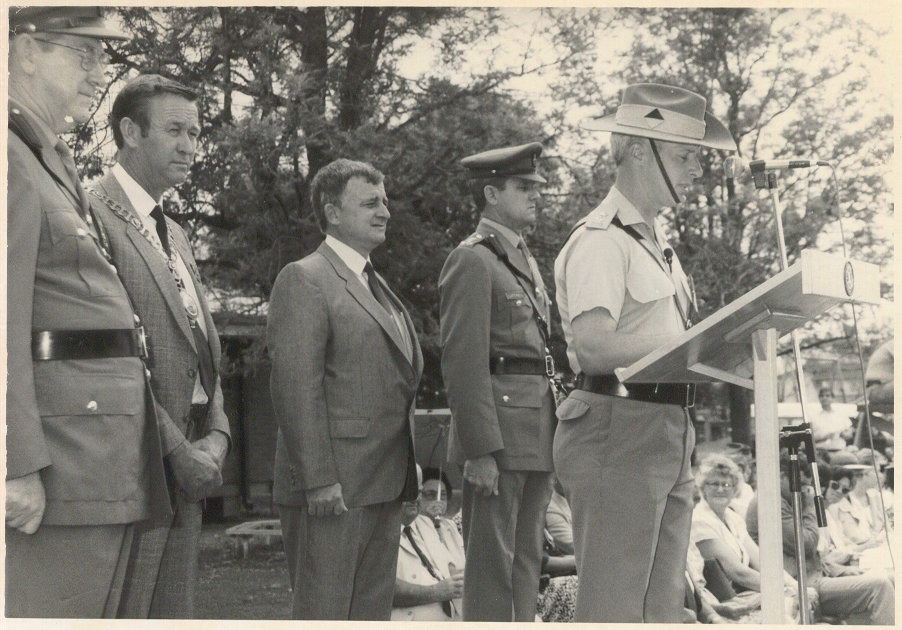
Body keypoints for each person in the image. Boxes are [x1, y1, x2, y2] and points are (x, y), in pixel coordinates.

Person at [6, 7, 172, 617]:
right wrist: (12, 464)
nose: (100, 72)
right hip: (56, 468)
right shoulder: (8, 158)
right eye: (83, 53)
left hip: (94, 462)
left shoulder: (45, 158)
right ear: (24, 49)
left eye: (104, 56)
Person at [552, 82, 737, 622]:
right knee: (614, 609)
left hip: (662, 429)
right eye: (685, 157)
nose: (696, 172)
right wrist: (695, 342)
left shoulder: (656, 245)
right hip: (617, 430)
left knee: (660, 610)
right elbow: (591, 345)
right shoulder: (602, 239)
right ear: (638, 150)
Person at [87, 74, 231, 617]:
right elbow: (111, 356)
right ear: (129, 131)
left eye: (195, 132)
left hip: (191, 461)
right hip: (137, 465)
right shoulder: (91, 214)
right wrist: (176, 450)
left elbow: (199, 343)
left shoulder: (176, 231)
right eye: (175, 130)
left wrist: (217, 431)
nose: (191, 146)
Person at [267, 158, 423, 620]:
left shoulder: (377, 285)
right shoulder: (305, 277)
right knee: (325, 616)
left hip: (381, 486)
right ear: (333, 213)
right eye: (370, 202)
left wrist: (406, 477)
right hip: (332, 490)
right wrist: (318, 480)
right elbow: (296, 388)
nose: (385, 212)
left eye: (386, 202)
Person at [439, 142, 556, 621]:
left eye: (536, 188)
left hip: (535, 430)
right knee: (492, 566)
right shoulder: (473, 260)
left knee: (528, 561)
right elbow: (462, 362)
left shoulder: (520, 258)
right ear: (490, 193)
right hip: (499, 437)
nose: (535, 196)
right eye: (524, 187)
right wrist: (480, 449)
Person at [746, 451, 894, 624]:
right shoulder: (769, 503)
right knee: (879, 586)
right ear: (781, 476)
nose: (803, 490)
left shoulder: (787, 500)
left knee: (890, 578)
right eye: (799, 484)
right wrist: (809, 506)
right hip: (798, 584)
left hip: (814, 576)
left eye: (806, 486)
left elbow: (812, 555)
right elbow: (806, 545)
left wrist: (840, 570)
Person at [690, 455, 796, 598]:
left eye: (727, 485)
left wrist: (795, 586)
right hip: (723, 600)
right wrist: (782, 590)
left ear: (735, 490)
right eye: (714, 484)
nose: (720, 490)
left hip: (746, 593)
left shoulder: (732, 517)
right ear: (703, 487)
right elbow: (738, 573)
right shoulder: (699, 520)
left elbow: (762, 561)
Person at [392, 474, 465, 621]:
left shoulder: (425, 523)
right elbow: (386, 589)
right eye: (407, 491)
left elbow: (451, 569)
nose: (414, 498)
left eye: (417, 491)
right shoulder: (379, 531)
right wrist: (436, 592)